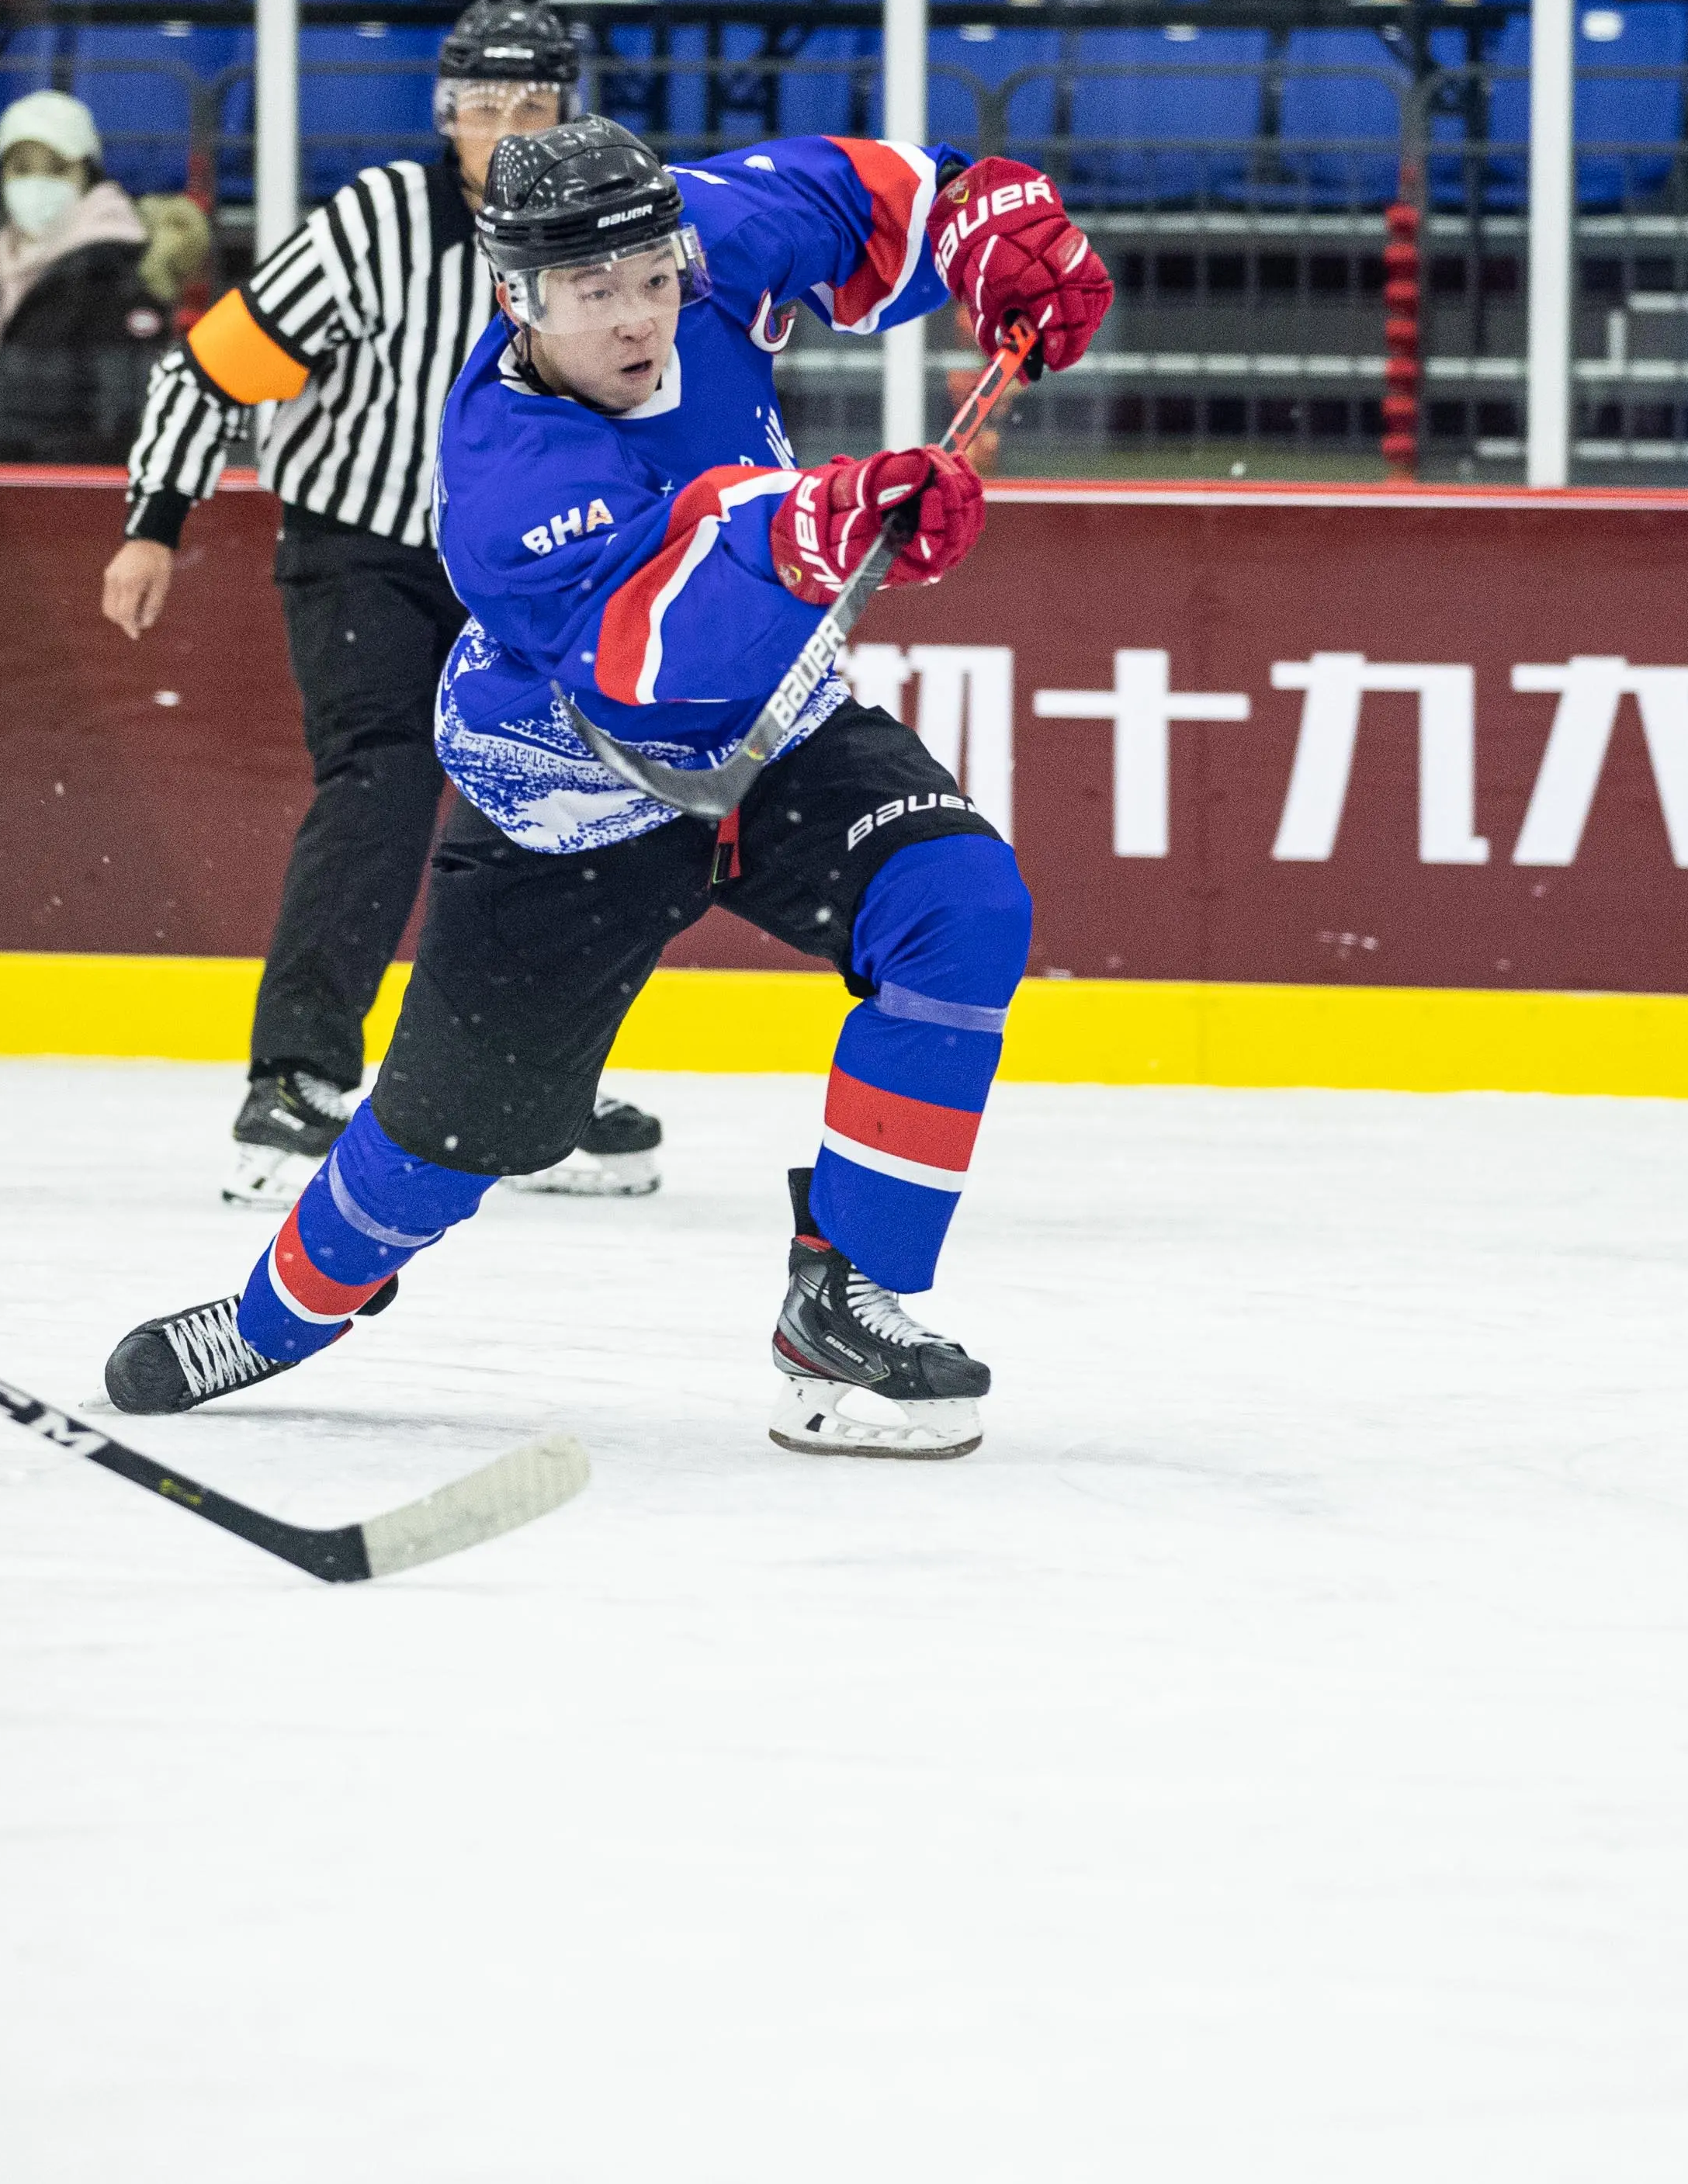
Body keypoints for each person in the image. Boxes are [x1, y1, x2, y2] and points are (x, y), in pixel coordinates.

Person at [99, 118, 1114, 1465]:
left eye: (650, 277)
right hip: (580, 798)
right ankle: (277, 1315)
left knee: (960, 906)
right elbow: (650, 660)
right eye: (592, 295)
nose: (640, 317)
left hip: (779, 734)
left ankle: (844, 1308)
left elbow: (885, 196)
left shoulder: (702, 236)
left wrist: (993, 232)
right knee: (443, 1149)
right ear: (514, 295)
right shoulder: (502, 474)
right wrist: (816, 523)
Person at [106, 2, 665, 1208]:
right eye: (482, 107)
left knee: (561, 809)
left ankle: (527, 1088)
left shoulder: (603, 245)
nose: (505, 130)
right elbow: (214, 368)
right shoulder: (376, 225)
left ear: (566, 110)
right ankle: (299, 1075)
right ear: (446, 116)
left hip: (522, 572)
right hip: (361, 550)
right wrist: (156, 522)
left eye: (530, 106)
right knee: (384, 779)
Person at [0, 88, 209, 464]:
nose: (37, 183)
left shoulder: (120, 271)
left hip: (75, 497)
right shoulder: (5, 262)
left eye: (58, 168)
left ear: (88, 175)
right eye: (21, 168)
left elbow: (128, 415)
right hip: (8, 494)